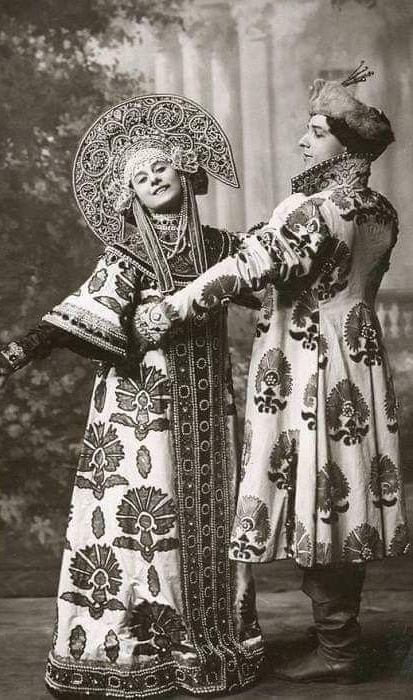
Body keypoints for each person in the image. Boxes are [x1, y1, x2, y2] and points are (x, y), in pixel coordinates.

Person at [0, 95, 264, 697]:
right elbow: (74, 316)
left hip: (208, 400)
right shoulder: (126, 253)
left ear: (186, 172)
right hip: (141, 403)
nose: (152, 179)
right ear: (128, 196)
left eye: (160, 166)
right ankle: (140, 648)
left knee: (211, 508)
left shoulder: (222, 245)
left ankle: (211, 640)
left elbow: (273, 281)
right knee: (148, 510)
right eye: (138, 176)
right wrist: (7, 360)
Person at [133, 68, 410, 684]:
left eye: (317, 132)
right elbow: (306, 271)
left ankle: (339, 651)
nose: (304, 142)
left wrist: (176, 304)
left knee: (321, 491)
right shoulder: (380, 210)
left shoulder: (316, 209)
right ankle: (339, 638)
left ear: (347, 146)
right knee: (342, 493)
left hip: (311, 361)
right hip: (360, 356)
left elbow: (253, 265)